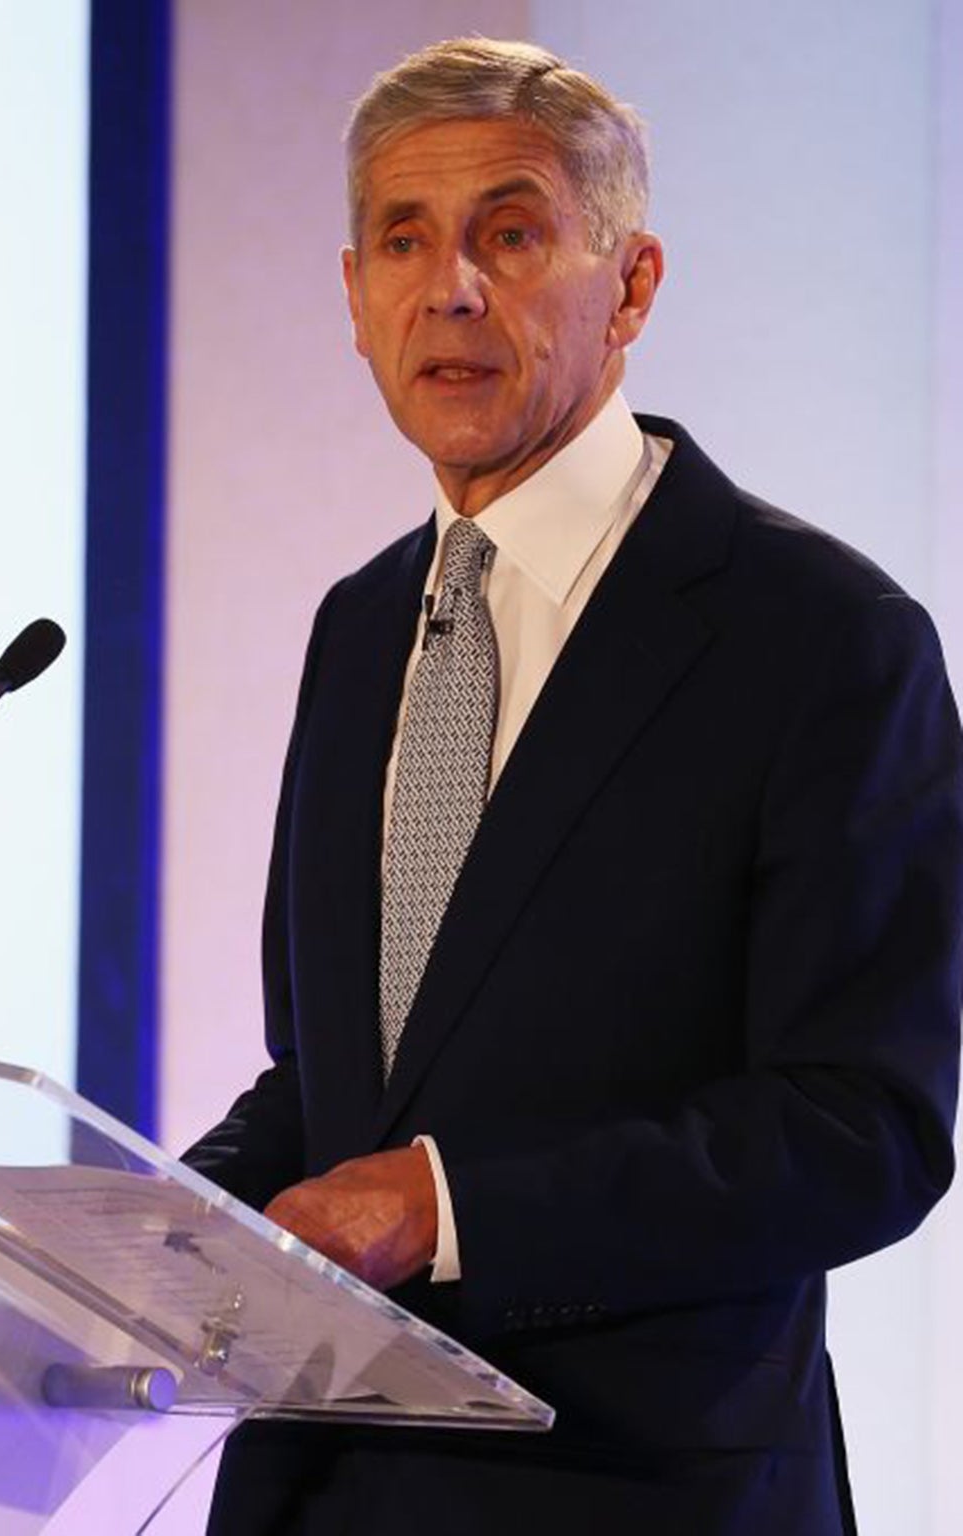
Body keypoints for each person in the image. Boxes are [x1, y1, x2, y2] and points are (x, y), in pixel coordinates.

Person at [183, 36, 963, 1535]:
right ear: (353, 299)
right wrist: (161, 1220)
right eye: (403, 241)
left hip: (636, 1492)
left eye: (512, 232)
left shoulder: (818, 639)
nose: (451, 287)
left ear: (635, 284)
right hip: (331, 1493)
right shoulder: (360, 626)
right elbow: (342, 1080)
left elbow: (861, 1128)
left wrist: (447, 1209)